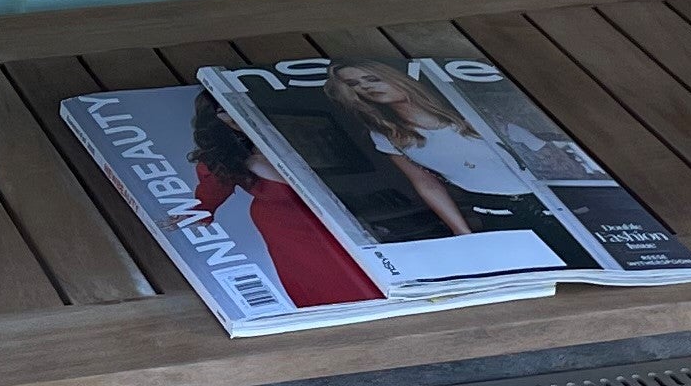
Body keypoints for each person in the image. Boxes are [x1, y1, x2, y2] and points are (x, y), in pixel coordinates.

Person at [321, 60, 588, 266]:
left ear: (394, 78)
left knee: (583, 258)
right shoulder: (386, 134)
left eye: (371, 78)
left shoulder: (464, 110)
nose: (365, 87)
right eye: (354, 85)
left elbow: (542, 150)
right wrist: (463, 234)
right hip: (493, 211)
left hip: (549, 202)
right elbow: (427, 185)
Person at [188, 90, 371, 309]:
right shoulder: (233, 155)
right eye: (223, 111)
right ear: (215, 118)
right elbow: (209, 195)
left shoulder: (291, 134)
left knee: (363, 279)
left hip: (331, 222)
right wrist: (197, 212)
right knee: (325, 291)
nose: (234, 115)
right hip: (284, 228)